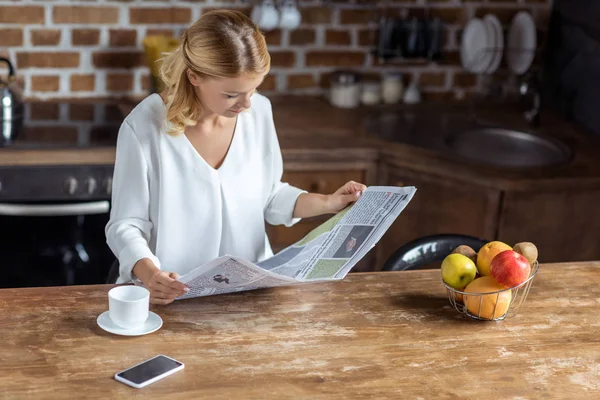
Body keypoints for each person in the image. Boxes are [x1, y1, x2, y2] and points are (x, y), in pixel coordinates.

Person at [105, 10, 366, 305]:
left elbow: (269, 196)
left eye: (253, 89)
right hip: (171, 297)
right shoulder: (143, 126)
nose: (246, 104)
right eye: (231, 95)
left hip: (249, 294)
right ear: (194, 76)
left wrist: (328, 202)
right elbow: (125, 226)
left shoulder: (259, 112)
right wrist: (151, 274)